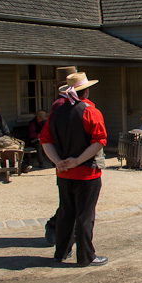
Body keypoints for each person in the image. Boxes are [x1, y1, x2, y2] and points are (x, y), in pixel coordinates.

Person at [39, 71, 108, 266]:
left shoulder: (55, 112)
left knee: (65, 213)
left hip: (63, 173)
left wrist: (58, 161)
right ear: (85, 91)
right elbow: (99, 141)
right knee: (85, 216)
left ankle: (61, 252)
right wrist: (77, 160)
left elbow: (45, 140)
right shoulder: (90, 111)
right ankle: (86, 256)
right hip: (87, 172)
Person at [43, 66, 78, 246]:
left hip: (74, 155)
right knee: (68, 200)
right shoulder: (60, 105)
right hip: (65, 155)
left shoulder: (73, 102)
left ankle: (70, 232)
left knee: (75, 199)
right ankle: (55, 226)